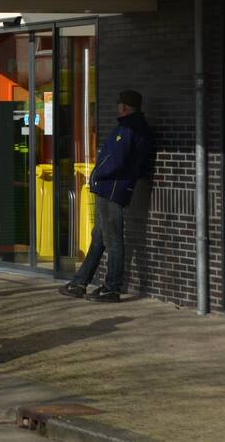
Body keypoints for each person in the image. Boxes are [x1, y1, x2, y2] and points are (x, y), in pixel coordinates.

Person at [60, 90, 152, 303]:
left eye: (119, 104)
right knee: (100, 237)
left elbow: (115, 159)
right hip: (115, 188)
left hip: (112, 189)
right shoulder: (138, 127)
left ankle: (112, 288)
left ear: (123, 107)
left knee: (113, 240)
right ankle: (79, 282)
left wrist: (97, 174)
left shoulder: (127, 128)